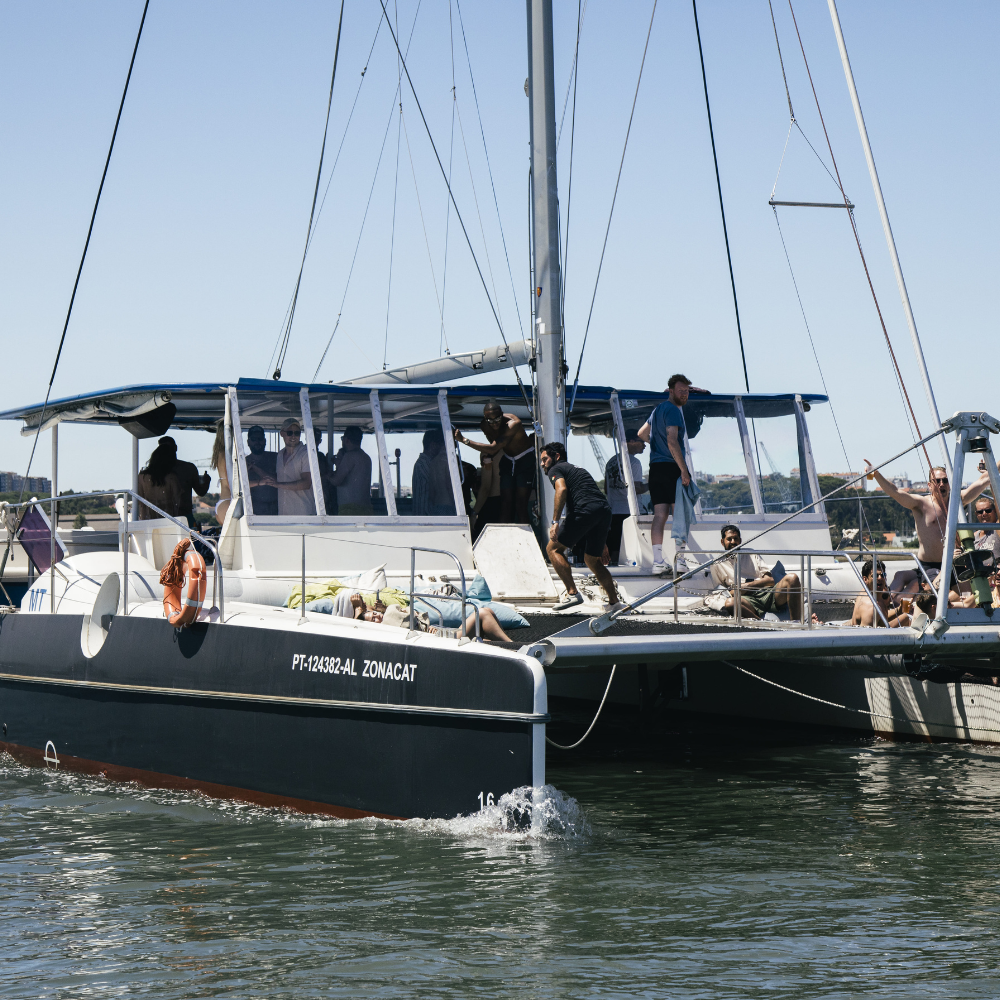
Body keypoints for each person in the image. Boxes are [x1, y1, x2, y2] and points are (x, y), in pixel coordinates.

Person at [865, 460, 992, 596]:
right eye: (937, 481)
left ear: (950, 484)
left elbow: (982, 482)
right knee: (934, 596)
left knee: (970, 597)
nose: (942, 484)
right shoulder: (921, 504)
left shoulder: (958, 500)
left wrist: (991, 466)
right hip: (930, 566)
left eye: (945, 480)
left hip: (956, 564)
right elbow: (895, 492)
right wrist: (877, 474)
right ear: (930, 485)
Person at [539, 441, 622, 613]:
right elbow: (595, 503)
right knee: (592, 560)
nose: (542, 464)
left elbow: (561, 490)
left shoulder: (556, 469)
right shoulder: (578, 469)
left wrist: (555, 522)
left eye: (545, 459)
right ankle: (615, 603)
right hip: (603, 511)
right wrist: (602, 541)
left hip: (585, 510)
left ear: (556, 456)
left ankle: (572, 593)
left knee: (553, 549)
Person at [638, 374, 694, 577]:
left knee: (659, 515)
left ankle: (658, 561)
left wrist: (655, 443)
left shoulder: (657, 410)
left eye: (687, 391)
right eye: (681, 391)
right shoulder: (673, 411)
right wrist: (684, 470)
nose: (684, 394)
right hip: (671, 467)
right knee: (679, 513)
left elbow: (642, 434)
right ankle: (681, 561)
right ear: (670, 391)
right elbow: (672, 441)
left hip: (656, 468)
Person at [454, 400, 535, 523]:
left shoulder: (514, 423)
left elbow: (494, 448)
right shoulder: (484, 426)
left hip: (524, 458)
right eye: (490, 420)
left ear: (502, 414)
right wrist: (487, 457)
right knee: (505, 503)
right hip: (508, 459)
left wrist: (464, 440)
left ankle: (527, 540)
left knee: (520, 504)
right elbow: (495, 447)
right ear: (485, 418)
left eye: (497, 419)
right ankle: (503, 537)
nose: (494, 423)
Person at [709, 524, 808, 621]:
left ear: (741, 541)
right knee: (730, 603)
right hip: (747, 600)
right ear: (722, 542)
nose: (733, 542)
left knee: (792, 578)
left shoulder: (751, 554)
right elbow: (722, 592)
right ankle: (764, 625)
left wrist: (745, 586)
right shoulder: (716, 564)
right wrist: (739, 590)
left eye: (736, 538)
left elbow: (770, 580)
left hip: (767, 594)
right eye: (729, 539)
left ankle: (796, 623)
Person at [136, 436, 210, 526]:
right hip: (184, 517)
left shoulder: (145, 476)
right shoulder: (188, 468)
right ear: (175, 448)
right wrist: (207, 480)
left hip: (153, 520)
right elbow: (201, 492)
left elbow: (139, 500)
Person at [603, 429, 649, 565]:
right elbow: (637, 488)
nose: (645, 445)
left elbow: (606, 489)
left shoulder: (611, 461)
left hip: (613, 511)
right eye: (642, 442)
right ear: (631, 441)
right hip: (629, 512)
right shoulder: (634, 462)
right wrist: (651, 484)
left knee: (615, 548)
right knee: (632, 550)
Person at [272, 417, 315, 516]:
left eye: (297, 433)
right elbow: (278, 480)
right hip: (283, 514)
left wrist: (278, 485)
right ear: (282, 433)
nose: (293, 436)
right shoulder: (279, 455)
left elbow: (306, 483)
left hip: (303, 513)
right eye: (290, 433)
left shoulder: (306, 453)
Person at [850, 558, 911, 627]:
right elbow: (865, 635)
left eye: (883, 575)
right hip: (873, 635)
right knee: (905, 618)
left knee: (905, 617)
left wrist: (899, 610)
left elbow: (881, 617)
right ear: (865, 579)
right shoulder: (871, 609)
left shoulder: (869, 593)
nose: (880, 578)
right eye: (875, 576)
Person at [329, 426, 373, 516]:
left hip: (349, 509)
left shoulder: (349, 456)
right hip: (366, 508)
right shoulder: (366, 457)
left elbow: (337, 480)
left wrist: (326, 475)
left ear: (347, 440)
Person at [412, 429, 457, 516]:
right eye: (440, 446)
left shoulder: (422, 463)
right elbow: (442, 485)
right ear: (433, 445)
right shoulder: (425, 464)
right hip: (426, 515)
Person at [245, 425, 278, 515]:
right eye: (253, 439)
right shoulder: (243, 462)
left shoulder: (276, 457)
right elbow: (240, 486)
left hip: (277, 510)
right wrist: (259, 482)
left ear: (264, 441)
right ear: (248, 442)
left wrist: (255, 468)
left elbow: (277, 480)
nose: (257, 442)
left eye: (260, 439)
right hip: (254, 511)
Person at [472, 452, 502, 541]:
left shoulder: (488, 454)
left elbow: (485, 488)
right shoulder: (513, 450)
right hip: (509, 502)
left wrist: (474, 513)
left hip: (493, 503)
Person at [210, 420, 231, 523]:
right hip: (229, 502)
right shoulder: (227, 454)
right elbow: (230, 481)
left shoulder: (219, 453)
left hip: (223, 502)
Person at [314, 428, 338, 515]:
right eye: (312, 439)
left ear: (320, 441)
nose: (314, 442)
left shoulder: (321, 456)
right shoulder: (302, 454)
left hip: (323, 495)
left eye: (316, 439)